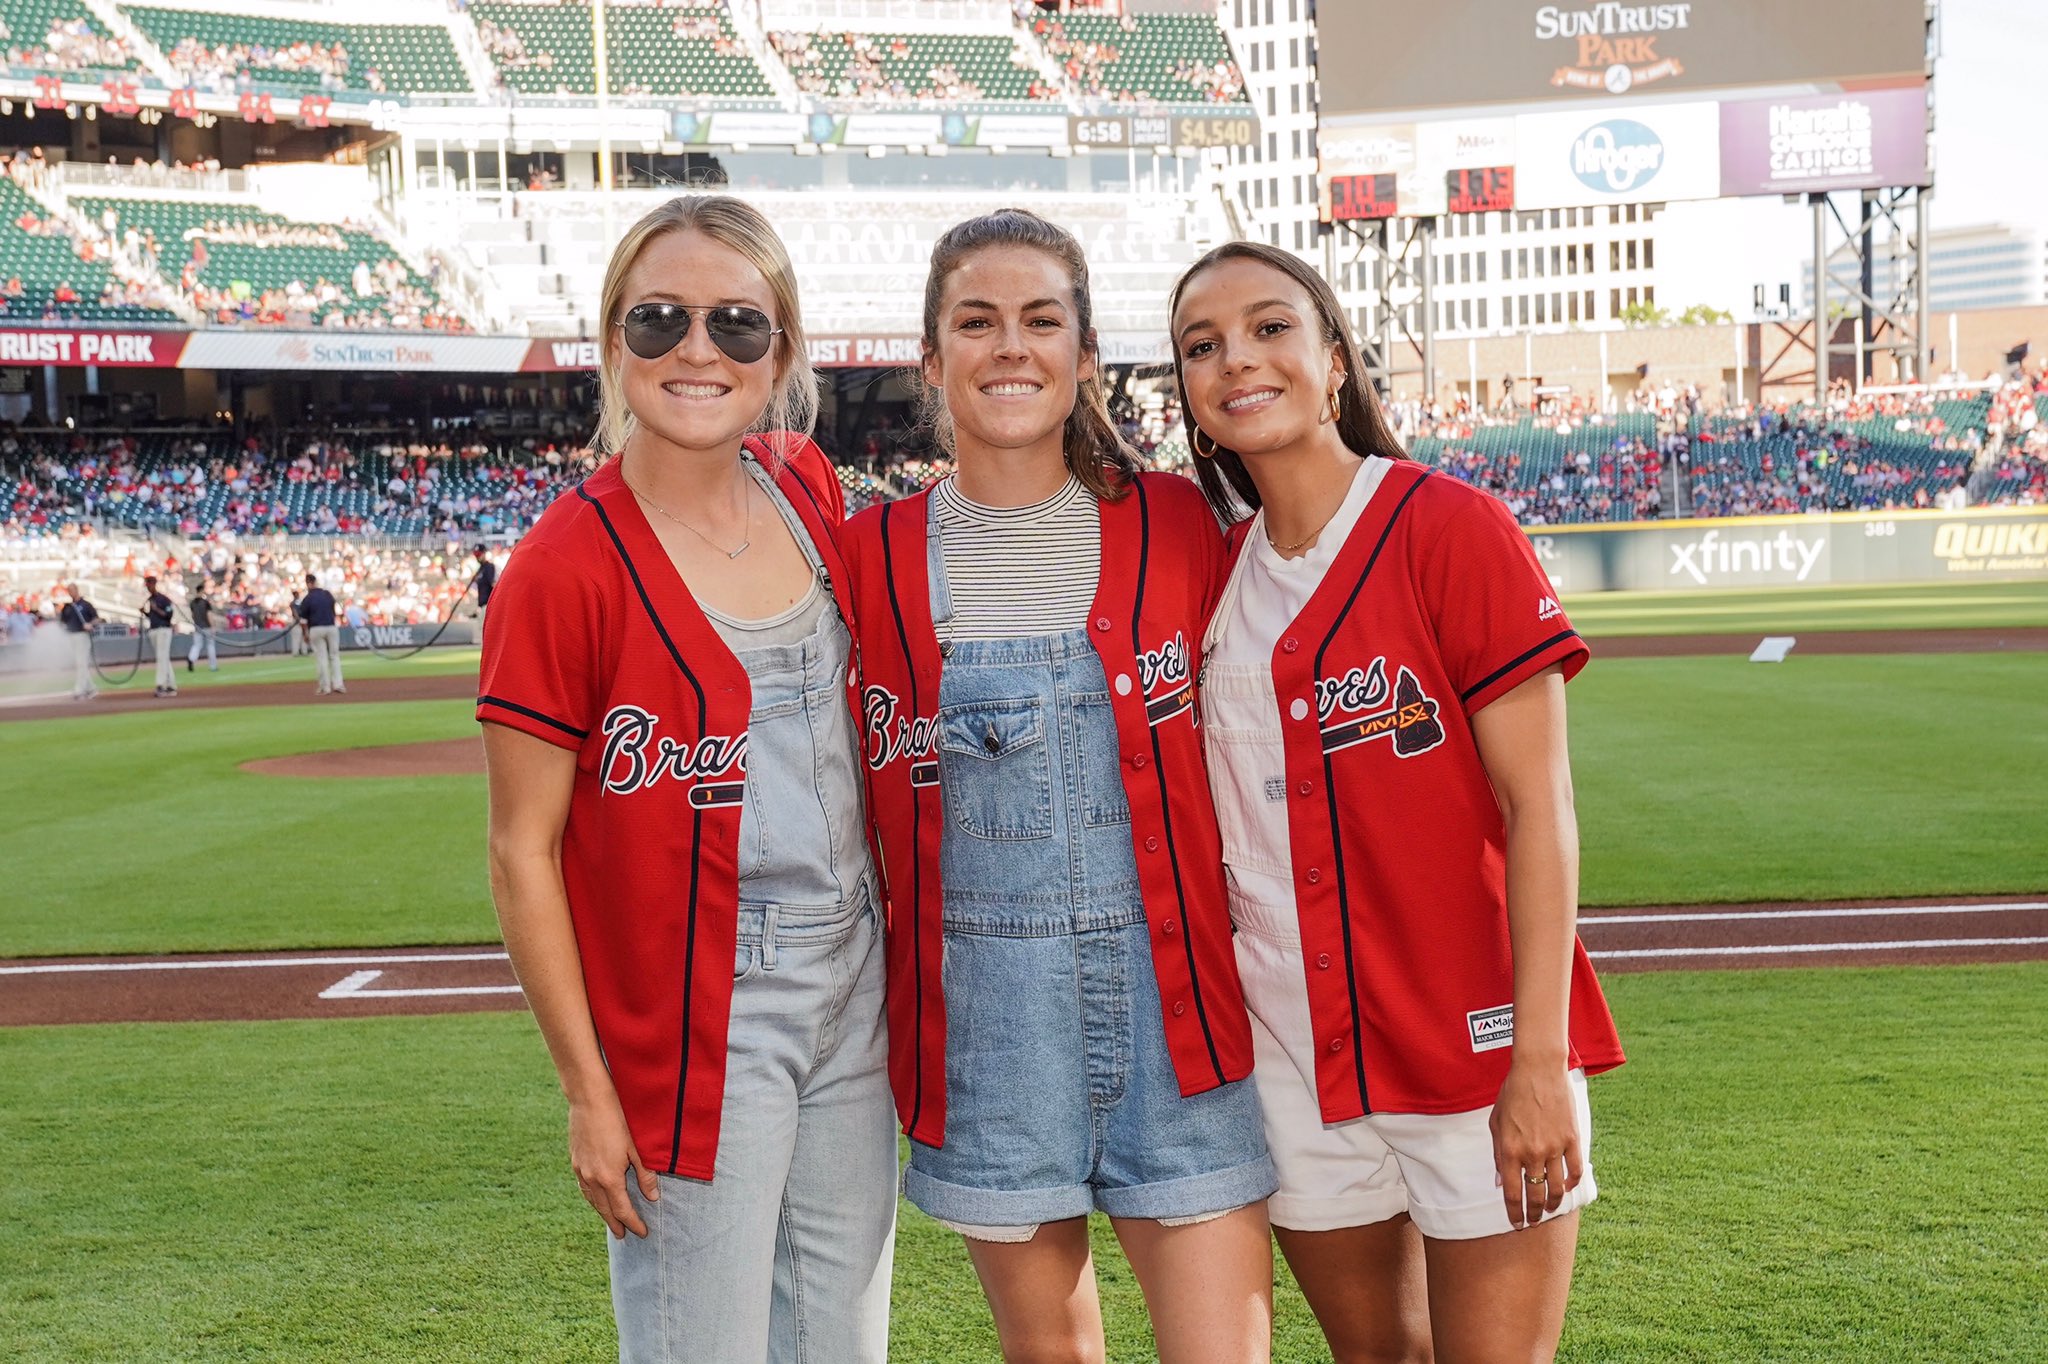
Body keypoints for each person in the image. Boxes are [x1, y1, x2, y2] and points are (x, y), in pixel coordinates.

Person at [1166, 240, 1627, 1364]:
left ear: (1333, 361)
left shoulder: (1449, 525)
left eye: (1272, 328)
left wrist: (1534, 1057)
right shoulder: (1209, 572)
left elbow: (1538, 809)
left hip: (1470, 1046)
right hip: (1292, 1058)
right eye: (1201, 344)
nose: (1238, 359)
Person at [841, 208, 1275, 1364]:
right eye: (974, 322)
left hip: (1183, 1013)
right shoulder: (864, 557)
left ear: (1086, 354)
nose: (1010, 347)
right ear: (930, 360)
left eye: (1042, 320)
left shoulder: (1184, 525)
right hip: (986, 1032)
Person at [477, 195, 894, 1364]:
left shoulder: (804, 486)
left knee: (841, 1343)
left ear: (783, 352)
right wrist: (586, 1087)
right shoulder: (561, 564)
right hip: (707, 1000)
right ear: (612, 340)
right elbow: (521, 850)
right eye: (658, 319)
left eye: (737, 325)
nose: (696, 351)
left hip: (855, 971)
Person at [296, 572, 343, 695]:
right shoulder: (327, 594)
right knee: (334, 656)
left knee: (322, 658)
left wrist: (305, 634)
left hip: (316, 629)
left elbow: (303, 620)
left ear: (308, 584)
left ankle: (325, 687)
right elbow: (334, 611)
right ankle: (338, 684)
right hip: (331, 627)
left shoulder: (307, 599)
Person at [59, 584, 99, 700]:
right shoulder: (68, 607)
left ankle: (79, 689)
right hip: (72, 636)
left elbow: (97, 618)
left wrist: (90, 624)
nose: (70, 593)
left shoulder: (86, 605)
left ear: (77, 590)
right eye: (69, 591)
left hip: (82, 635)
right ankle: (91, 688)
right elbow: (63, 621)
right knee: (80, 663)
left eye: (72, 590)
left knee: (81, 662)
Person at [142, 575, 176, 697]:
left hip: (163, 629)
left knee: (162, 657)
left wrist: (155, 609)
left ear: (154, 584)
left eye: (149, 584)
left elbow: (168, 615)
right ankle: (171, 685)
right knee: (163, 658)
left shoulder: (163, 599)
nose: (148, 587)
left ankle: (161, 685)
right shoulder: (149, 599)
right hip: (154, 629)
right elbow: (152, 616)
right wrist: (145, 612)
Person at [186, 585, 218, 672]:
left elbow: (192, 615)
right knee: (210, 645)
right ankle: (213, 666)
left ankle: (191, 658)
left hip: (198, 627)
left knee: (197, 645)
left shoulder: (192, 603)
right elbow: (209, 615)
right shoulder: (205, 603)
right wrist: (213, 626)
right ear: (202, 591)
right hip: (206, 626)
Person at [471, 544, 496, 615]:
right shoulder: (480, 569)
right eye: (476, 555)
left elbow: (493, 584)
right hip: (481, 606)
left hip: (488, 606)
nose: (477, 557)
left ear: (484, 553)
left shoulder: (489, 567)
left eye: (479, 554)